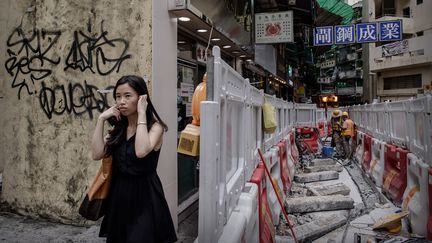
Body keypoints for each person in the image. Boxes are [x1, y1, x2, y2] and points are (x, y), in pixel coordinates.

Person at [91, 75, 177, 243]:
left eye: (127, 96)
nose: (121, 101)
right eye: (118, 96)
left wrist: (142, 113)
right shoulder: (118, 129)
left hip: (145, 195)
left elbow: (141, 151)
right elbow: (96, 154)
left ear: (141, 97)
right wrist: (101, 119)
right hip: (119, 194)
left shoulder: (156, 127)